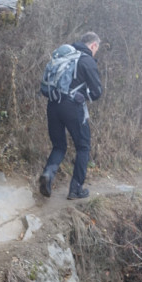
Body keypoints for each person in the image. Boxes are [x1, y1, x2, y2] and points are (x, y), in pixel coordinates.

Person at [38, 31, 102, 200]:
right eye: (97, 49)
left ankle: (48, 175)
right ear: (93, 45)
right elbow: (97, 92)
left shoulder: (65, 54)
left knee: (59, 145)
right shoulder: (87, 61)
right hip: (72, 107)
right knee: (83, 146)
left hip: (52, 104)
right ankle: (76, 189)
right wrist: (85, 96)